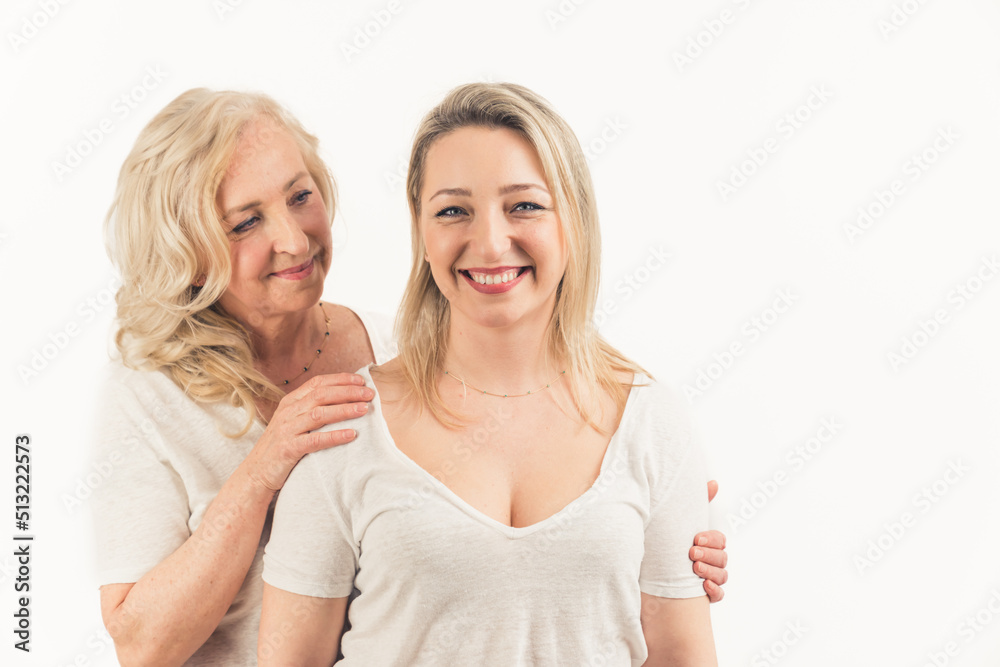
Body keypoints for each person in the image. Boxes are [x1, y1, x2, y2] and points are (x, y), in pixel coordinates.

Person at [92, 88, 729, 666]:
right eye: (244, 223)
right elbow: (141, 645)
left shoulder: (403, 348)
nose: (294, 239)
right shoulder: (150, 395)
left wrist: (645, 526)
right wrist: (264, 470)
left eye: (300, 196)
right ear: (186, 252)